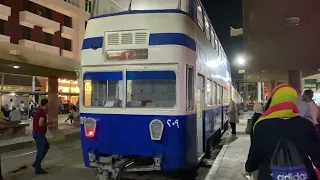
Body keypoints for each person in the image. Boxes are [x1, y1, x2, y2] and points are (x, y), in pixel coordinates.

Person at [245, 84, 320, 180]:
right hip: (303, 176)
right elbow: (317, 157)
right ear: (294, 101)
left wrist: (250, 168)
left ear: (274, 100)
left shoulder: (262, 125)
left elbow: (253, 159)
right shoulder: (306, 125)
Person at [32, 99, 56, 174]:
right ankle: (38, 168)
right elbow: (41, 124)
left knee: (46, 146)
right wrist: (50, 122)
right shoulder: (42, 112)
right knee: (41, 150)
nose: (49, 105)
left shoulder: (38, 111)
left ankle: (36, 162)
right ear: (46, 104)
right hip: (39, 133)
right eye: (48, 104)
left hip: (36, 132)